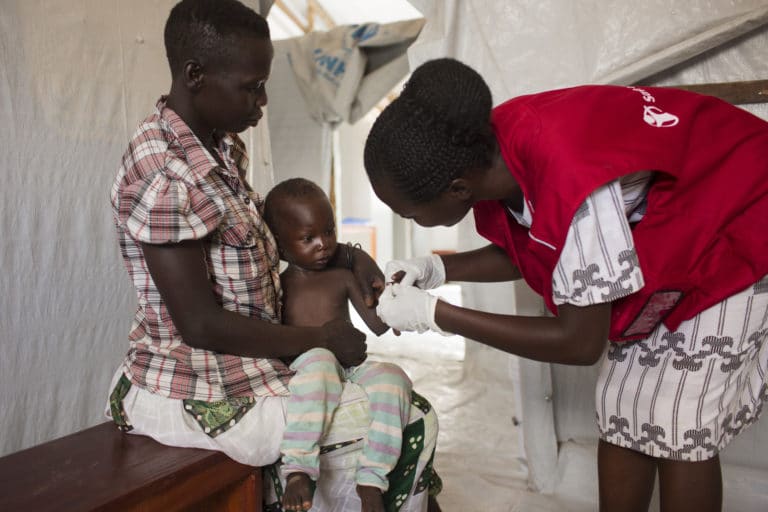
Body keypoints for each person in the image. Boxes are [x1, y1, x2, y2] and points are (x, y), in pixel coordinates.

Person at [364, 57, 768, 512]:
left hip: (746, 217)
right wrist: (437, 268)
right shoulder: (493, 149)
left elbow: (579, 342)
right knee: (620, 408)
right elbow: (539, 245)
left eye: (411, 213)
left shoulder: (568, 178)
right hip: (684, 226)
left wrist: (433, 315)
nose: (413, 221)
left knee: (678, 424)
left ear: (458, 189)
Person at [105, 1, 440, 511]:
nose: (262, 100)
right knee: (406, 418)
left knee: (390, 397)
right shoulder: (165, 174)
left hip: (259, 359)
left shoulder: (219, 147)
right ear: (195, 75)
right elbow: (198, 325)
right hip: (197, 379)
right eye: (251, 86)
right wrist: (319, 338)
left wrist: (349, 256)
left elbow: (271, 234)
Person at [263, 178, 413, 512]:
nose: (324, 244)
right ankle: (299, 470)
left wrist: (397, 304)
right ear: (280, 245)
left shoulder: (342, 277)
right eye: (308, 238)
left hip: (351, 366)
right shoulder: (277, 286)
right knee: (318, 360)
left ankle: (372, 479)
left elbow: (377, 324)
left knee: (394, 376)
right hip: (310, 364)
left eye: (329, 231)